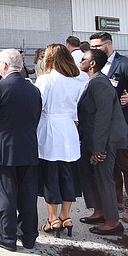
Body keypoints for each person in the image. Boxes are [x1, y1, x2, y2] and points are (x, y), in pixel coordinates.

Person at [0, 49, 42, 252]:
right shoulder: (34, 90)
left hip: (2, 150)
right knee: (27, 195)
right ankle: (29, 236)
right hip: (28, 148)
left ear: (4, 66)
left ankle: (6, 237)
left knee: (4, 194)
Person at [89, 32, 128, 224]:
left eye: (98, 46)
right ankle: (115, 201)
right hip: (104, 124)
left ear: (109, 44)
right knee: (110, 165)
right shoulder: (96, 66)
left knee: (127, 164)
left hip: (124, 123)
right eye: (92, 47)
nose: (94, 50)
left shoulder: (127, 64)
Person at [34, 44, 88, 238]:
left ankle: (53, 218)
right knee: (68, 174)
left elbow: (38, 105)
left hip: (50, 128)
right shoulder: (79, 79)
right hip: (69, 128)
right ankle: (66, 216)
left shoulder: (46, 79)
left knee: (50, 174)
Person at [77, 48, 128, 236]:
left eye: (83, 59)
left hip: (104, 141)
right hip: (93, 138)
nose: (80, 61)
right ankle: (99, 211)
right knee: (91, 175)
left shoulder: (99, 83)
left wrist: (98, 148)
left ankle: (112, 222)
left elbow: (103, 117)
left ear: (92, 63)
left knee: (103, 178)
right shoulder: (94, 81)